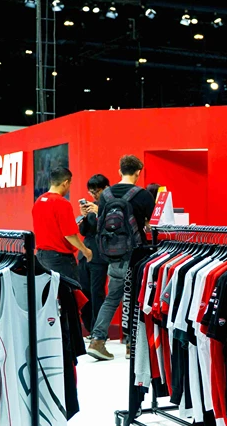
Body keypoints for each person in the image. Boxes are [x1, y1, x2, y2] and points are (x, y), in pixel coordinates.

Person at [88, 154, 156, 361]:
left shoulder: (106, 195)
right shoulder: (144, 195)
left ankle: (97, 340)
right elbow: (150, 224)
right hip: (136, 254)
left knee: (112, 299)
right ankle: (130, 345)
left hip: (114, 254)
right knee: (134, 299)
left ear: (119, 171)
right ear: (138, 172)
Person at [32, 166, 92, 284]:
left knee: (48, 292)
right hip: (60, 259)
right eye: (70, 184)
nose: (69, 188)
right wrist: (85, 250)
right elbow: (69, 235)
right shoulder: (62, 203)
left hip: (41, 257)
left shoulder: (38, 201)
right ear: (65, 183)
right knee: (71, 292)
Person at [78, 174, 110, 334]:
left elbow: (111, 228)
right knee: (84, 291)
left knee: (97, 293)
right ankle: (90, 328)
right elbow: (84, 232)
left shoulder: (111, 206)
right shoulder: (92, 206)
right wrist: (84, 216)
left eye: (96, 191)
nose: (94, 195)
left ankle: (98, 331)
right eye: (91, 192)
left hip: (100, 255)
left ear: (105, 188)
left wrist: (100, 213)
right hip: (85, 253)